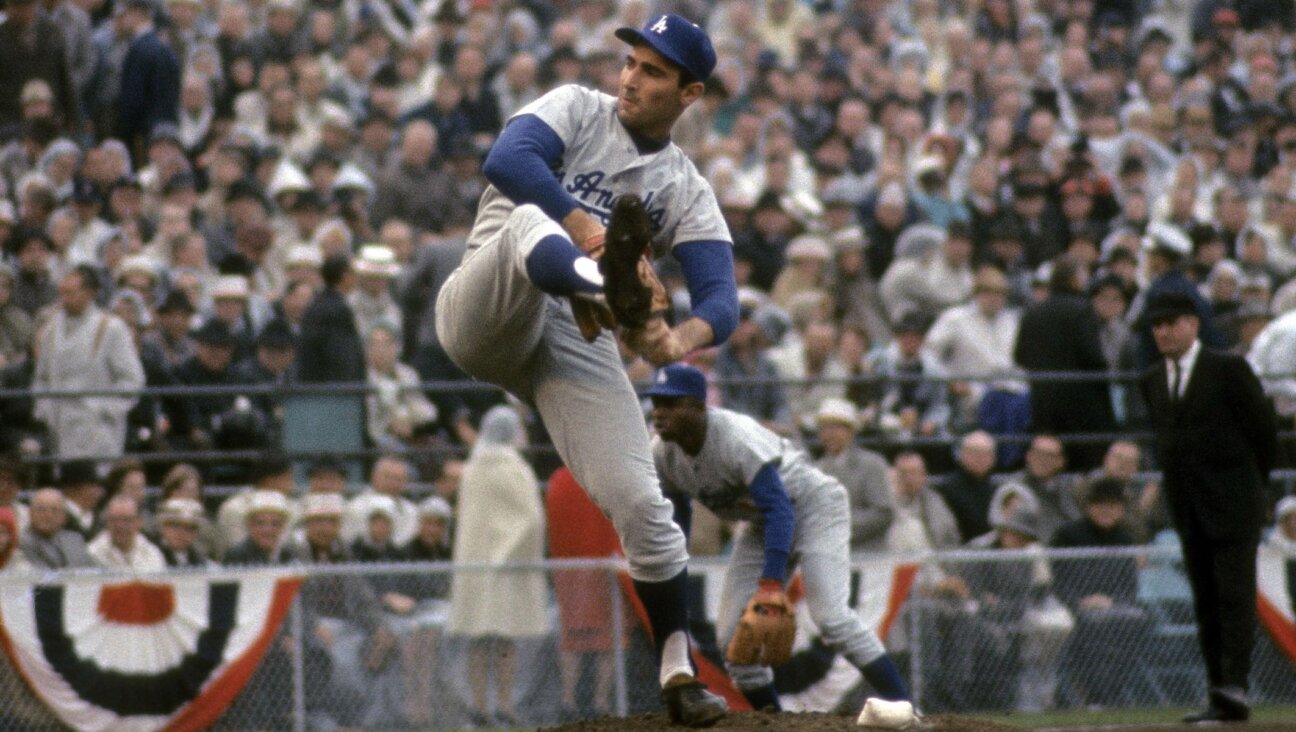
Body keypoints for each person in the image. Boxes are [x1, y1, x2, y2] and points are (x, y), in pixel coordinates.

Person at [432, 13, 737, 724]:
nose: (631, 76)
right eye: (631, 60)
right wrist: (600, 243)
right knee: (527, 218)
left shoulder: (685, 185)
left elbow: (722, 297)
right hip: (489, 304)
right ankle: (606, 283)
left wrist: (675, 339)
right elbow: (507, 161)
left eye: (654, 71)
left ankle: (677, 675)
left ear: (689, 93)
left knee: (645, 505)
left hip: (575, 340)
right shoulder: (576, 107)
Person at [645, 364, 911, 712]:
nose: (659, 413)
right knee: (733, 644)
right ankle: (775, 722)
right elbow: (677, 519)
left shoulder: (733, 436)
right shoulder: (663, 454)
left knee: (831, 618)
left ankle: (907, 709)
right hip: (760, 522)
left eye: (671, 404)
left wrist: (771, 583)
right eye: (656, 403)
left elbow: (780, 507)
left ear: (698, 405)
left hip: (812, 505)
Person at [1139, 291, 1277, 723]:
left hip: (1234, 504)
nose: (1163, 332)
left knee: (1234, 596)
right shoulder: (1152, 379)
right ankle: (1219, 690)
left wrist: (1253, 489)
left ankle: (1234, 686)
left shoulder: (1228, 369)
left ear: (1193, 324)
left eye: (1171, 323)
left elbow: (1264, 432)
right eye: (1156, 325)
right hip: (1189, 509)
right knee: (1206, 600)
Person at [446, 405, 549, 726]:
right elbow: (531, 518)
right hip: (504, 570)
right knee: (504, 640)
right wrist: (510, 553)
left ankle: (479, 706)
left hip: (474, 567)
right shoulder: (514, 468)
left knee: (477, 639)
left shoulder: (472, 469)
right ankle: (504, 705)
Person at [1049, 477, 1149, 708]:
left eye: (1113, 506)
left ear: (1121, 509)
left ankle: (1113, 693)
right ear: (1089, 506)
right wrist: (1079, 601)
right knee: (1096, 626)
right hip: (1075, 607)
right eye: (1100, 504)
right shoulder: (1067, 535)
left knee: (1137, 619)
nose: (1106, 510)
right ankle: (1095, 696)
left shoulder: (1124, 538)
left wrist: (1111, 600)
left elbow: (1129, 586)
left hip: (1114, 607)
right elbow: (1057, 579)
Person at [545, 465, 633, 721]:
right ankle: (600, 700)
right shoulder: (609, 477)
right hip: (606, 567)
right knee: (608, 637)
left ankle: (568, 699)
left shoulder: (559, 479)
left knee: (573, 636)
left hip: (568, 568)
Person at [32, 265, 145, 460]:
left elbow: (133, 380)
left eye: (71, 293)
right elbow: (41, 377)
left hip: (97, 432)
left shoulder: (111, 329)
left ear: (89, 294)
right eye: (62, 293)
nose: (64, 299)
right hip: (59, 429)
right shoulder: (51, 329)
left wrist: (103, 409)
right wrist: (45, 410)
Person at [811, 397, 893, 552]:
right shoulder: (815, 470)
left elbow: (883, 513)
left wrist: (839, 526)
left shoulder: (872, 464)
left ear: (850, 431)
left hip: (867, 554)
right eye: (824, 428)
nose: (829, 434)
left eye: (835, 428)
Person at [18, 487, 93, 569]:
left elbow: (98, 570)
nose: (48, 515)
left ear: (64, 517)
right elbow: (39, 575)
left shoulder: (74, 539)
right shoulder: (21, 542)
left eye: (55, 510)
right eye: (41, 509)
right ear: (30, 513)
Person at [88, 495, 165, 570]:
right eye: (115, 519)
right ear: (106, 521)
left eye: (127, 520)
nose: (120, 526)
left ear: (139, 522)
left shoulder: (151, 554)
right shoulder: (91, 554)